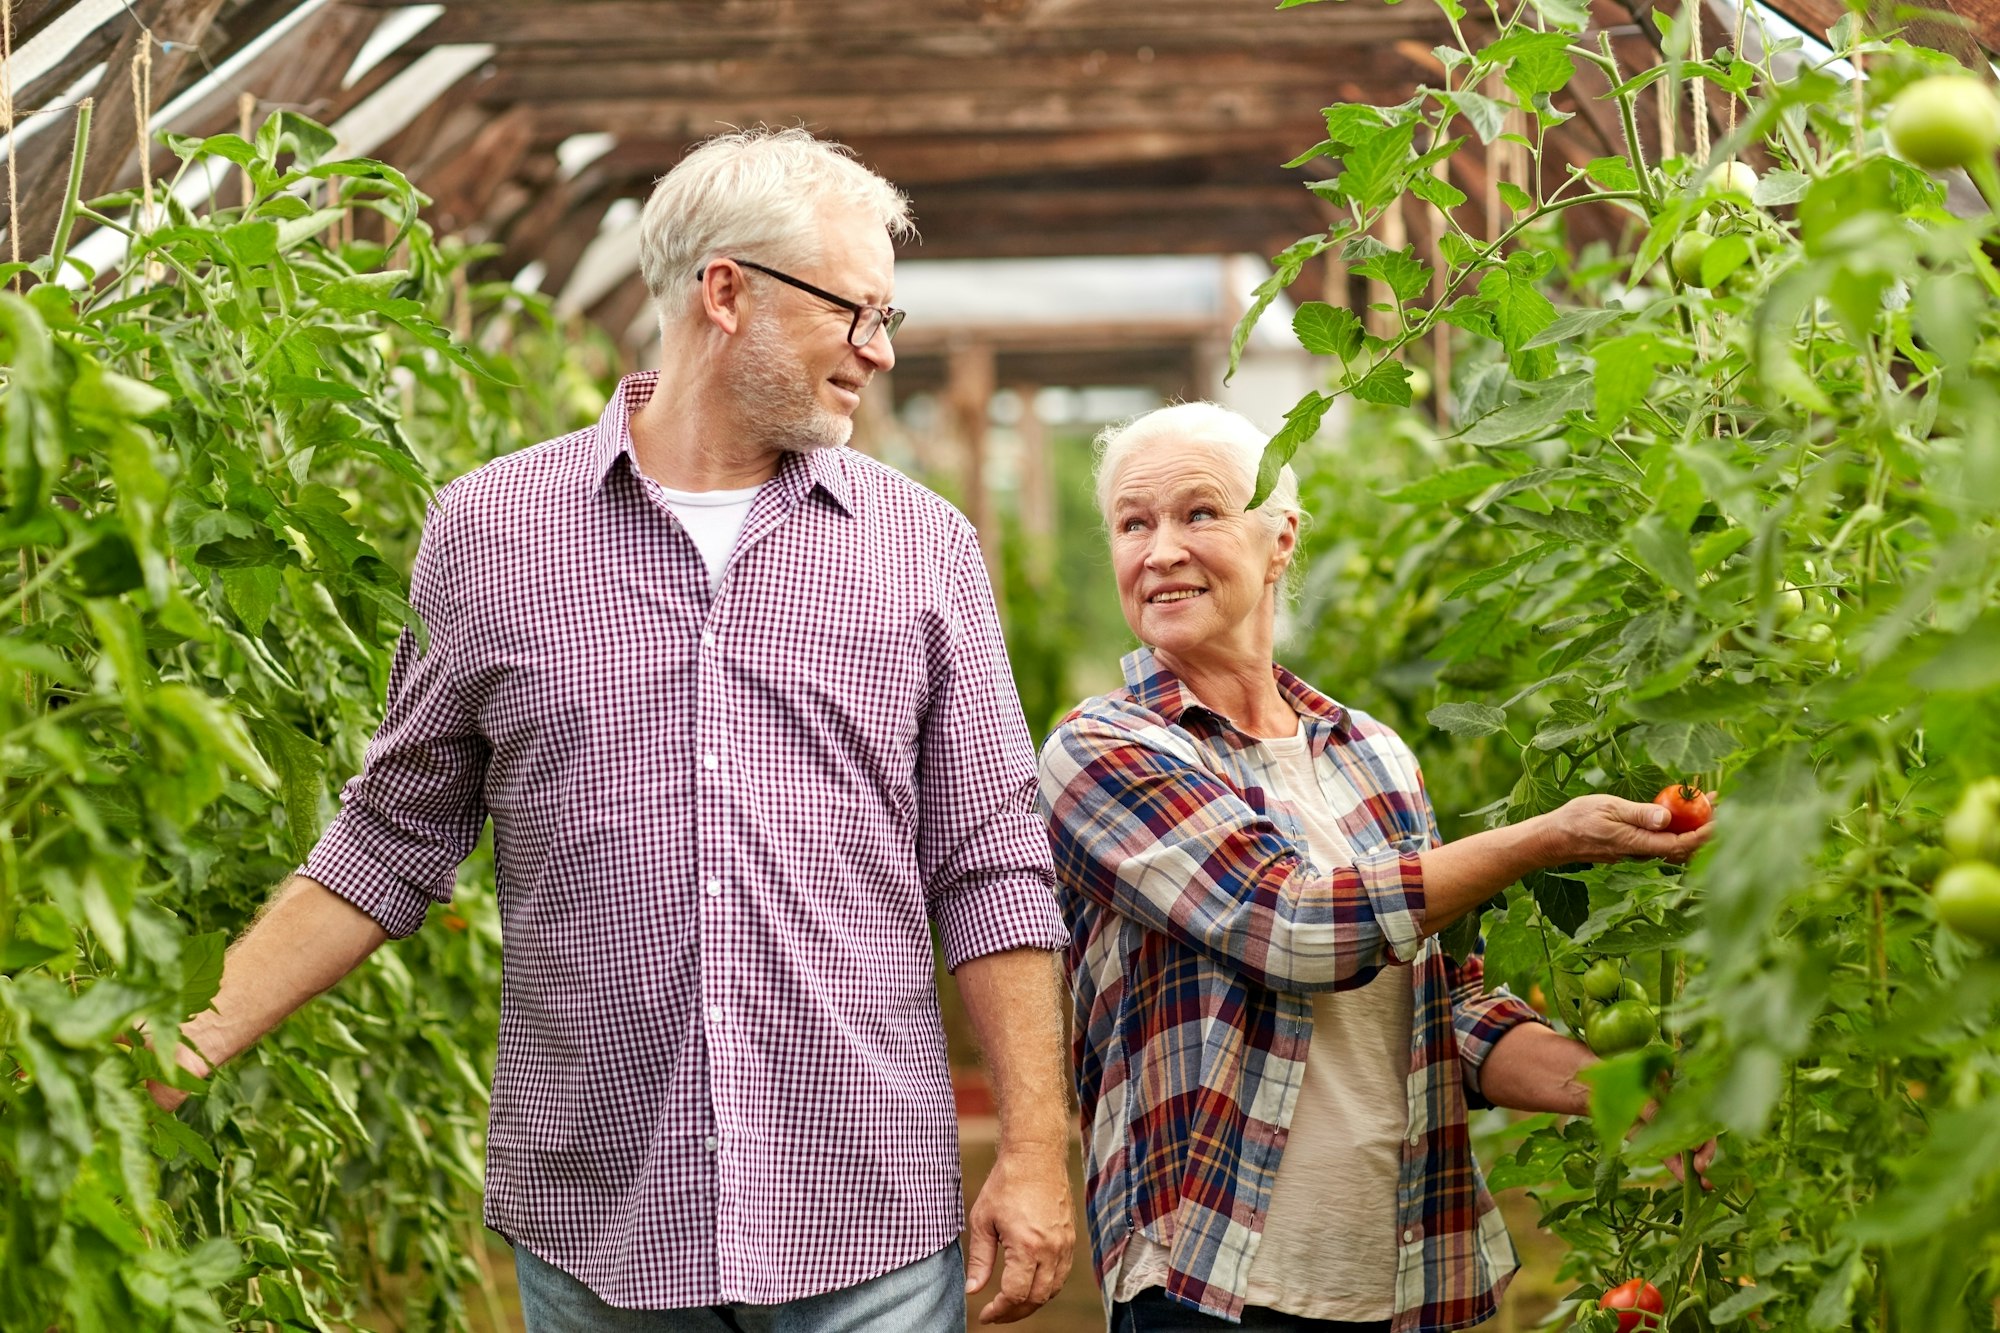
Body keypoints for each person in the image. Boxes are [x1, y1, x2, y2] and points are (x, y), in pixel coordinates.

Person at [150, 128, 1076, 1332]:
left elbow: (989, 865)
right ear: (727, 292)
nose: (880, 350)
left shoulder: (918, 547)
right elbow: (387, 841)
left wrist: (1037, 1152)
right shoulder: (492, 533)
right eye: (856, 312)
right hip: (601, 1220)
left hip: (868, 1211)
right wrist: (178, 1047)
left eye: (885, 316)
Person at [1036, 402, 1714, 1332]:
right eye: (1132, 522)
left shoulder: (1373, 753)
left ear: (1281, 540)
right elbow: (1291, 925)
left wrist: (1617, 1093)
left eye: (1200, 513)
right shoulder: (1103, 748)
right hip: (1211, 1279)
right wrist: (1543, 839)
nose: (1161, 550)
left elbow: (1443, 1004)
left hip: (1398, 1278)